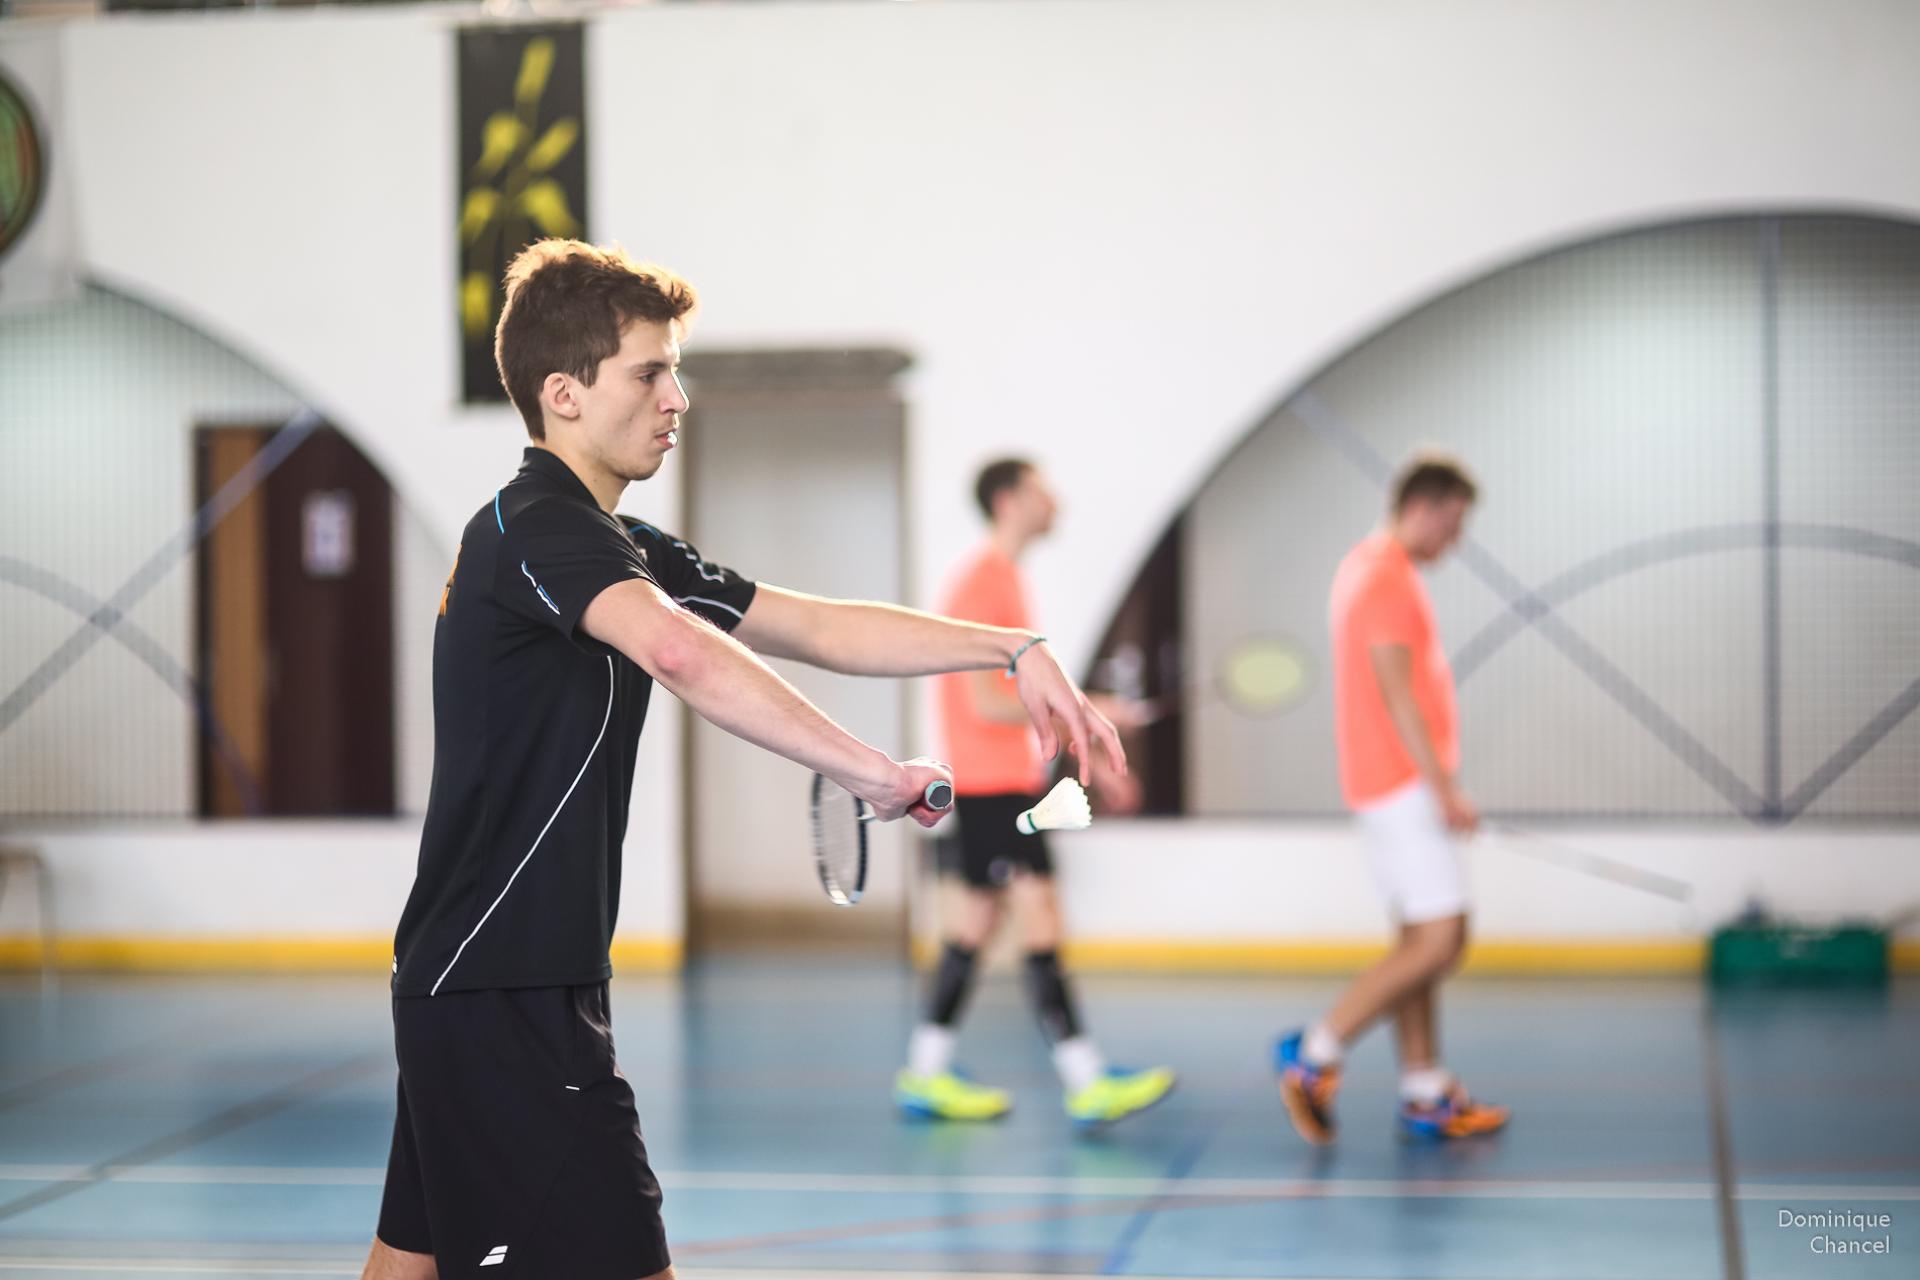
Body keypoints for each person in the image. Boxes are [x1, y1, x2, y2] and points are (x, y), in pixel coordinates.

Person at [364, 241, 1124, 1280]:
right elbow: (680, 652)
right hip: (505, 989)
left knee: (406, 1265)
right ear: (564, 393)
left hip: (482, 979)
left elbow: (817, 625)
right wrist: (867, 769)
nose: (676, 398)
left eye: (674, 372)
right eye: (649, 373)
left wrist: (1012, 648)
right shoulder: (538, 527)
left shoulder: (615, 541)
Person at [892, 458, 1175, 1130]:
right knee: (1039, 914)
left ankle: (925, 1071)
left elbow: (1016, 698)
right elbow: (987, 703)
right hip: (991, 787)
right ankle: (1085, 1079)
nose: (1056, 501)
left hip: (1006, 784)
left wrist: (1087, 736)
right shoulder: (982, 582)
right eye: (1042, 489)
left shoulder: (1008, 580)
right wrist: (1089, 705)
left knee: (976, 924)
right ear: (1009, 500)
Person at [1275, 453, 1509, 1145]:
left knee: (1416, 939)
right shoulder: (1384, 578)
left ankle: (1424, 1089)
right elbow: (1398, 696)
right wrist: (1444, 789)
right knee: (1444, 937)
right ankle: (1314, 1053)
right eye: (1454, 522)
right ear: (1424, 508)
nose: (1457, 540)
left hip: (1383, 785)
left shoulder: (1366, 566)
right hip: (1401, 785)